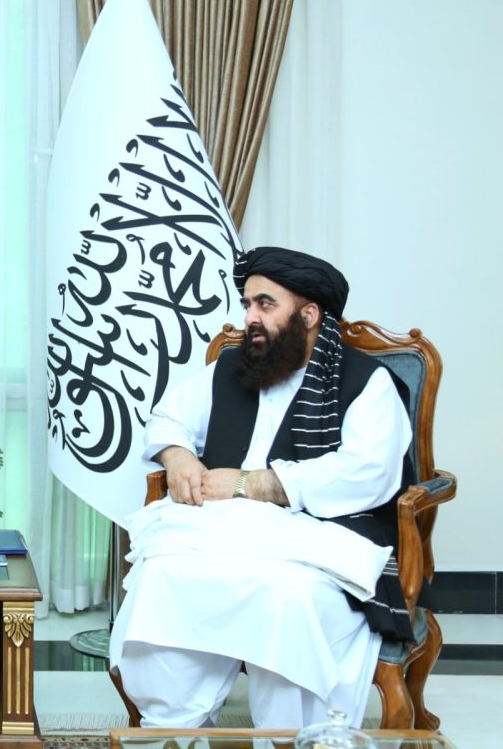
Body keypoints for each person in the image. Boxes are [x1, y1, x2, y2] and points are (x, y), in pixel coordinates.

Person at [109, 246, 414, 729]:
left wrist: (256, 484)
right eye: (248, 303)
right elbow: (168, 417)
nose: (249, 317)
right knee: (161, 576)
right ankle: (172, 726)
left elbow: (368, 472)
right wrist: (177, 455)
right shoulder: (234, 367)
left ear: (309, 315)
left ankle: (292, 735)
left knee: (286, 596)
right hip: (221, 530)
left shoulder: (368, 382)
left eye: (265, 304)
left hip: (320, 538)